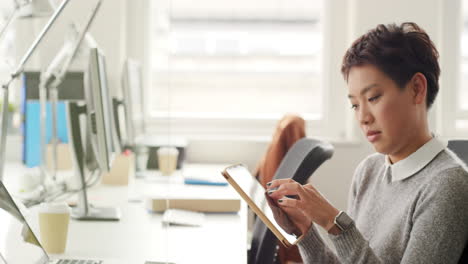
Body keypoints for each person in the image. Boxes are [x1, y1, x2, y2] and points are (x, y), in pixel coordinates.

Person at [266, 22, 468, 263]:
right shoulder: (369, 171)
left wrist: (335, 223)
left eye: (373, 97)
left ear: (416, 89)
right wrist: (306, 233)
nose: (362, 117)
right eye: (355, 104)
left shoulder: (447, 186)